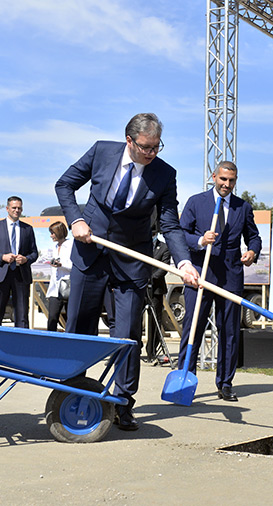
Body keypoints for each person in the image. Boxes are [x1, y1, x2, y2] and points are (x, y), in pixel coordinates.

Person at [55, 112, 200, 431]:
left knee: (128, 334)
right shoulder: (101, 152)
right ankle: (74, 393)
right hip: (90, 250)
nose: (151, 153)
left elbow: (169, 223)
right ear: (129, 140)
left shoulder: (164, 174)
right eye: (146, 147)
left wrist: (184, 261)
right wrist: (76, 219)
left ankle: (122, 402)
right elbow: (64, 185)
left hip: (132, 259)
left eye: (156, 147)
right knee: (80, 325)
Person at [177, 161, 261, 402]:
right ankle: (185, 381)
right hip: (200, 275)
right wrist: (201, 240)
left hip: (231, 278)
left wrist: (252, 252)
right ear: (214, 177)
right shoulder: (196, 202)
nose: (227, 184)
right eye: (223, 179)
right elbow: (181, 234)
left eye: (231, 181)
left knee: (230, 332)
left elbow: (254, 237)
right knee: (193, 329)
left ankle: (225, 383)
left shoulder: (242, 207)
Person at [0, 196, 38, 327]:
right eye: (14, 208)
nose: (17, 210)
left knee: (22, 315)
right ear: (7, 209)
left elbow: (34, 253)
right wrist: (2, 257)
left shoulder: (27, 229)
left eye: (19, 208)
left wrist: (26, 259)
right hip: (1, 274)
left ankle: (22, 345)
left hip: (21, 274)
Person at [145, 227, 170, 363]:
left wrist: (152, 278)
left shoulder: (164, 247)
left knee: (155, 320)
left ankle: (152, 351)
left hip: (156, 289)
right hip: (141, 288)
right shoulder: (142, 246)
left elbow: (164, 267)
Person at [45, 221, 73, 332]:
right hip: (55, 288)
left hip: (68, 286)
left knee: (70, 318)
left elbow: (75, 265)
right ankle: (49, 342)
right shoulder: (55, 247)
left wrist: (61, 265)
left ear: (59, 232)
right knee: (52, 317)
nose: (51, 235)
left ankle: (70, 341)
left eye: (53, 233)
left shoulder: (71, 245)